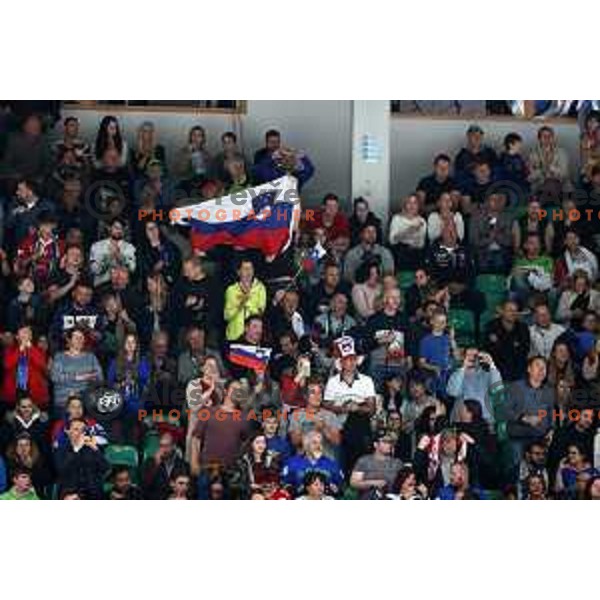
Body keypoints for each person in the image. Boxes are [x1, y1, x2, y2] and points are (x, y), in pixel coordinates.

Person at [323, 336, 376, 471]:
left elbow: (372, 408)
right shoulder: (333, 382)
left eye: (353, 359)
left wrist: (357, 407)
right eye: (347, 359)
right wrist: (342, 408)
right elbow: (326, 405)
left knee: (357, 420)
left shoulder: (366, 380)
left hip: (360, 426)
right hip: (339, 426)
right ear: (341, 362)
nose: (351, 362)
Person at [503, 356, 556, 484]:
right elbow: (504, 411)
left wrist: (551, 429)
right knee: (515, 467)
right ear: (529, 369)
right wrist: (523, 418)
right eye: (538, 366)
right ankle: (514, 493)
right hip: (518, 438)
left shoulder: (549, 391)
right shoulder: (515, 387)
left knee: (545, 467)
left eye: (544, 367)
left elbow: (551, 413)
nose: (541, 370)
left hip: (540, 439)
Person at [50, 326, 103, 413]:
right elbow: (55, 377)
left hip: (85, 399)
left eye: (81, 338)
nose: (79, 340)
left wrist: (92, 379)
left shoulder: (91, 357)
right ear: (69, 340)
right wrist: (79, 377)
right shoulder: (60, 357)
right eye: (76, 338)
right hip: (64, 400)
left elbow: (99, 377)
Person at [54, 417, 110, 499]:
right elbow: (62, 470)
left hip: (92, 493)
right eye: (76, 429)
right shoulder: (61, 449)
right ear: (68, 431)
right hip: (70, 492)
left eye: (83, 430)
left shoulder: (91, 448)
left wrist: (95, 449)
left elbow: (105, 468)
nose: (80, 433)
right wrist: (76, 449)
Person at [287, 379, 341, 460]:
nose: (317, 396)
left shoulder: (330, 415)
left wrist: (323, 428)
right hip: (304, 461)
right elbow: (295, 441)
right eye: (313, 393)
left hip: (326, 460)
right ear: (306, 396)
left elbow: (337, 441)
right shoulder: (296, 415)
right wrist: (312, 429)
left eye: (320, 393)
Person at [281, 430, 344, 497]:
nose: (318, 446)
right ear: (306, 445)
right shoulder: (292, 463)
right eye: (314, 443)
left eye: (321, 443)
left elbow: (340, 488)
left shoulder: (332, 464)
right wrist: (295, 490)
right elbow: (285, 485)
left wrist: (335, 489)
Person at [1, 324, 49, 411]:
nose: (26, 335)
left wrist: (30, 348)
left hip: (35, 394)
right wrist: (20, 349)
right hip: (13, 394)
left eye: (28, 333)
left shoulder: (38, 350)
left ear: (31, 337)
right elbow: (7, 365)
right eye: (23, 332)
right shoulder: (9, 350)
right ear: (17, 337)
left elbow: (42, 365)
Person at [447, 348, 502, 423]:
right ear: (464, 357)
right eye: (468, 355)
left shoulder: (488, 374)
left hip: (485, 419)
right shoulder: (458, 374)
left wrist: (492, 365)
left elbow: (497, 390)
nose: (472, 358)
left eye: (475, 356)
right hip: (462, 420)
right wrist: (463, 368)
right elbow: (453, 392)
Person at [350, 430, 403, 499]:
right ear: (375, 444)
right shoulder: (364, 461)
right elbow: (354, 482)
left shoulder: (397, 463)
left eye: (390, 442)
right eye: (384, 442)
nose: (388, 445)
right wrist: (374, 483)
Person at [469, 192, 513, 274]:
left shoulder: (507, 218)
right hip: (482, 252)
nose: (496, 202)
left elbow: (509, 241)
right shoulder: (476, 219)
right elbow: (473, 241)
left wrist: (496, 235)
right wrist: (489, 239)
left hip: (501, 252)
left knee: (500, 261)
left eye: (498, 200)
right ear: (487, 202)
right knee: (483, 262)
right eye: (493, 199)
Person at [224, 258, 267, 341]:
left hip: (252, 337)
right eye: (245, 268)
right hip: (234, 336)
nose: (248, 271)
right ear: (238, 272)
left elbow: (260, 313)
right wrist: (240, 305)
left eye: (251, 268)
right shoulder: (231, 290)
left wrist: (247, 302)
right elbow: (227, 316)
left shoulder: (260, 288)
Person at [89, 218, 136, 288]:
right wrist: (109, 257)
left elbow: (132, 268)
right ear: (109, 228)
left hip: (122, 287)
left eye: (121, 228)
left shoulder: (129, 247)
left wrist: (119, 255)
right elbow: (95, 270)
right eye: (116, 227)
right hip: (102, 286)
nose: (119, 231)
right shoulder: (97, 246)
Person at [141, 431, 187, 500]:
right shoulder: (150, 463)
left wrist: (177, 487)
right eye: (161, 446)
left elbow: (187, 485)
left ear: (173, 446)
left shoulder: (182, 464)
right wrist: (156, 465)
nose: (163, 450)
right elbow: (144, 487)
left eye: (166, 446)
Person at [528, 126, 570, 193]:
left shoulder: (561, 152)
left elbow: (565, 173)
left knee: (554, 185)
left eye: (549, 136)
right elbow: (530, 174)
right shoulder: (533, 153)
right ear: (539, 139)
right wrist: (543, 173)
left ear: (553, 138)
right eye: (544, 136)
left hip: (558, 183)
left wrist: (553, 170)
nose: (547, 138)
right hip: (539, 183)